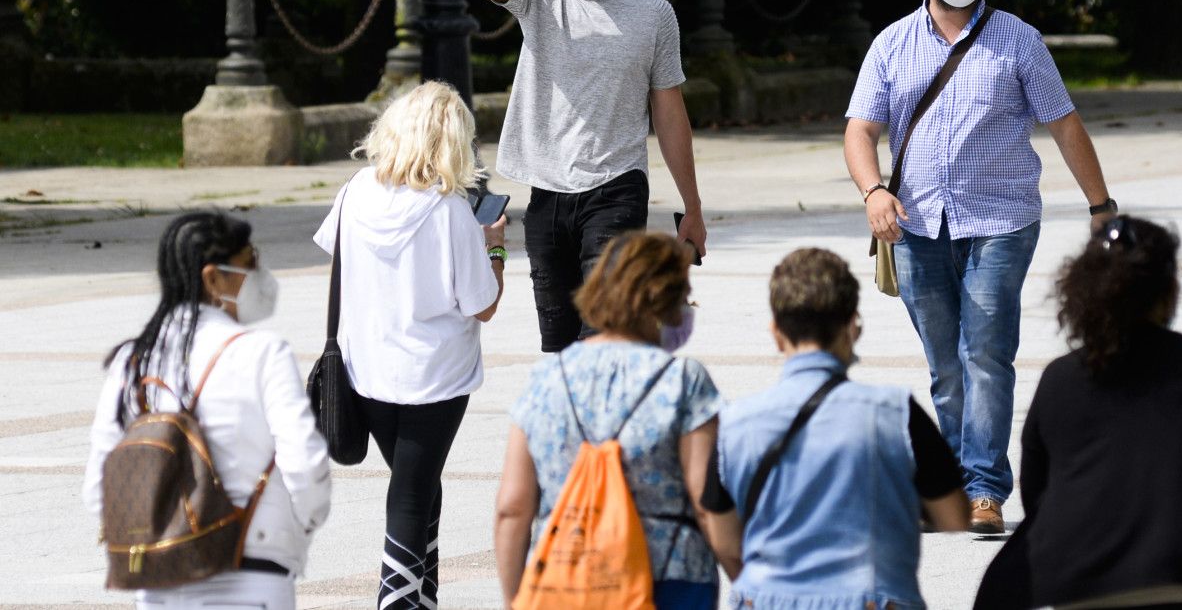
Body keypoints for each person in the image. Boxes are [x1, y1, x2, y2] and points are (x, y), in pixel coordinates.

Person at [843, 0, 1117, 533]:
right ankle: (959, 481)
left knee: (987, 353)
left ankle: (986, 489)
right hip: (916, 224)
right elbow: (861, 128)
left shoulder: (1018, 39)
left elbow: (1064, 122)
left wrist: (1101, 206)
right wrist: (873, 191)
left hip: (1001, 220)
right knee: (946, 364)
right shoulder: (891, 43)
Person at [464, 0, 708, 354]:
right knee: (557, 344)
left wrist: (692, 206)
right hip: (547, 189)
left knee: (605, 331)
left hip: (617, 185)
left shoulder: (655, 13)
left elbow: (671, 114)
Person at [313, 80, 505, 610]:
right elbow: (482, 304)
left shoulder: (354, 191)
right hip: (436, 376)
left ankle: (424, 598)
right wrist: (496, 248)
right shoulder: (450, 213)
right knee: (412, 491)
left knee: (418, 479)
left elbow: (338, 262)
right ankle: (394, 601)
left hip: (367, 370)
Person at [83, 211, 332, 610]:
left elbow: (100, 486)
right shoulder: (261, 353)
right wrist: (294, 530)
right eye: (250, 262)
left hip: (159, 584)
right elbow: (305, 463)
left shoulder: (132, 361)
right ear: (213, 279)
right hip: (253, 576)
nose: (261, 274)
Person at [700, 248, 969, 609]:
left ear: (776, 333)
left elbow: (724, 541)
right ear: (853, 327)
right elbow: (954, 516)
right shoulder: (897, 413)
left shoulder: (734, 424)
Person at [975, 217, 1182, 609]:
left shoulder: (1057, 378)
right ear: (1168, 291)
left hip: (1076, 581)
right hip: (1174, 574)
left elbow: (1038, 494)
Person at [494, 232, 722, 609]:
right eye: (684, 299)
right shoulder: (683, 380)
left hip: (567, 582)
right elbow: (706, 501)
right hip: (671, 580)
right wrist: (745, 573)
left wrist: (516, 599)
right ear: (662, 302)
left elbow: (512, 506)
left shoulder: (546, 378)